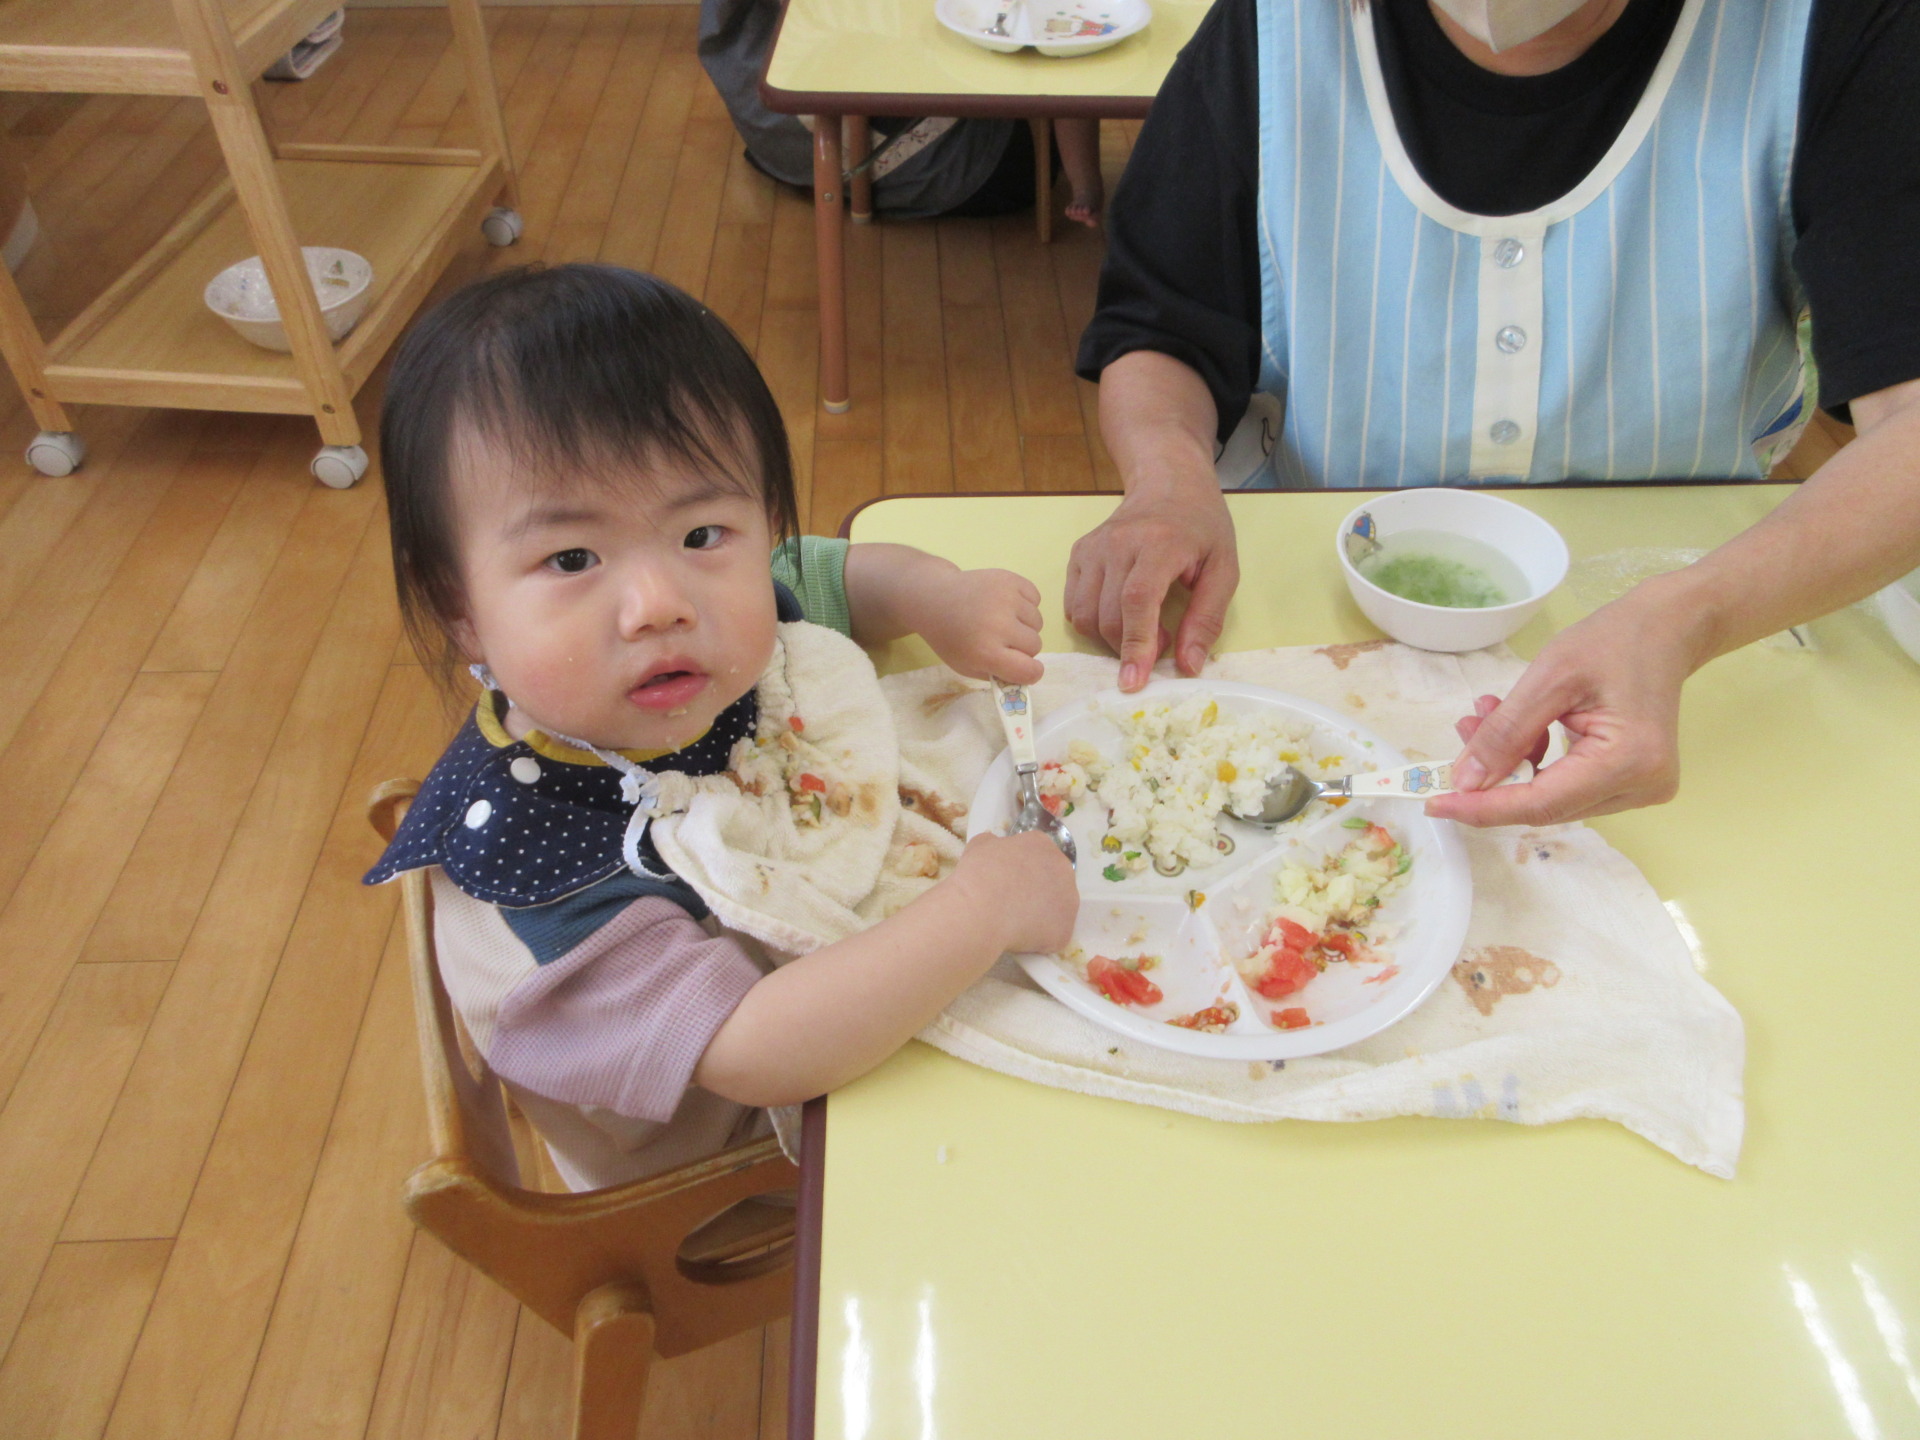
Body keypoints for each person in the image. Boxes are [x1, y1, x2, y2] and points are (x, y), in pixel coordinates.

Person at [1069, 0, 1920, 827]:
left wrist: (1692, 616)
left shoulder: (1833, 29)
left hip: (1712, 629)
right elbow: (1163, 322)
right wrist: (1167, 478)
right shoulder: (1275, 28)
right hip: (1313, 599)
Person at [364, 265, 1076, 1188]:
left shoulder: (704, 639)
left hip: (843, 964)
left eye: (701, 534)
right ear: (459, 607)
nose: (660, 602)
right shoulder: (546, 883)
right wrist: (983, 912)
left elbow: (815, 575)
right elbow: (754, 1050)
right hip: (738, 1149)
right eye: (572, 558)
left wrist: (934, 595)